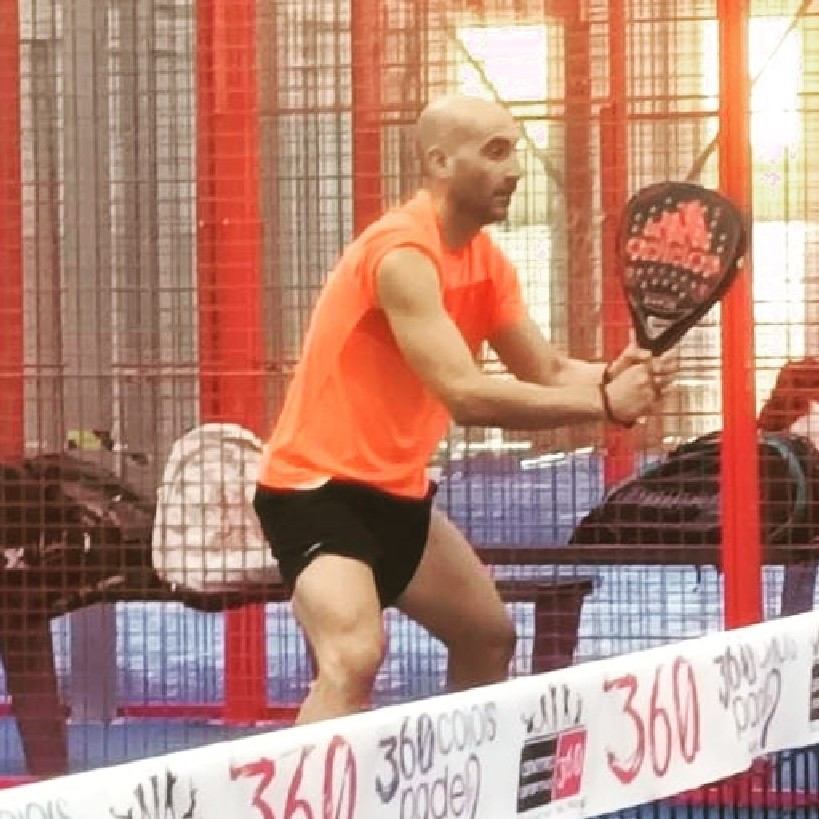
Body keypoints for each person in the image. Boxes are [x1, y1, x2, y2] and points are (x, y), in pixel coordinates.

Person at [253, 93, 677, 725]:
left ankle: (465, 780)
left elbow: (549, 370)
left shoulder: (487, 264)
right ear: (440, 162)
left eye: (516, 152)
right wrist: (604, 404)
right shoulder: (401, 255)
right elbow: (465, 393)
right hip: (316, 490)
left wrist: (614, 375)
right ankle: (304, 785)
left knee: (487, 638)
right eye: (496, 152)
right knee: (353, 656)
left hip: (398, 493)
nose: (515, 170)